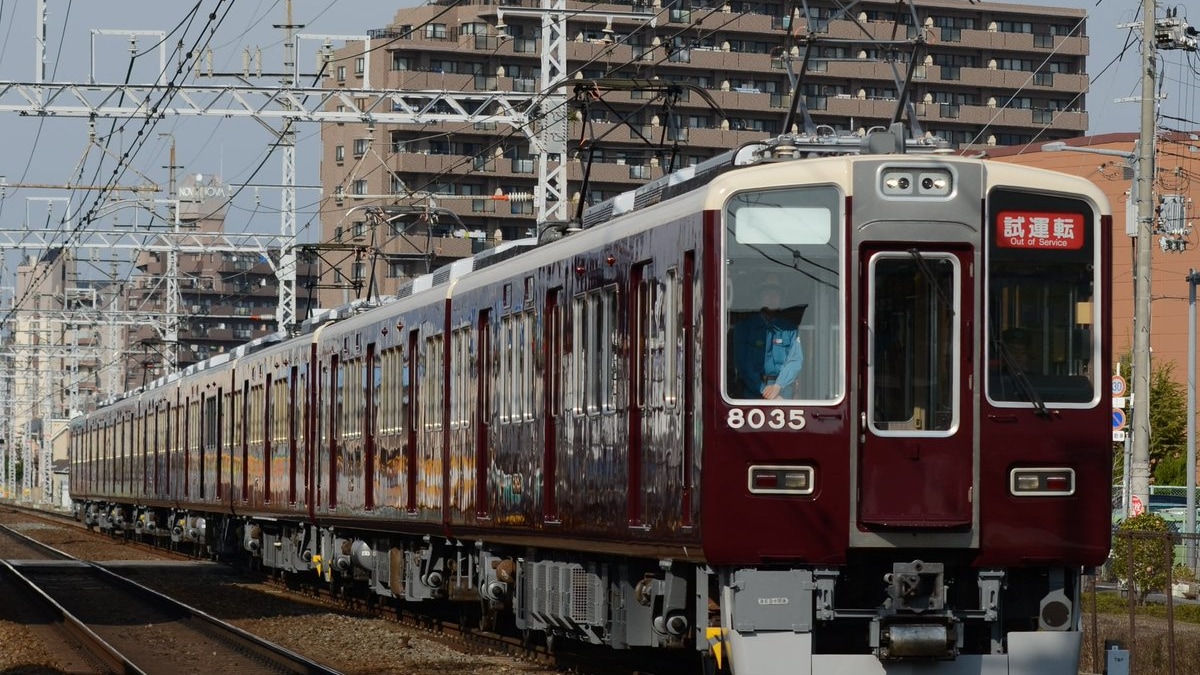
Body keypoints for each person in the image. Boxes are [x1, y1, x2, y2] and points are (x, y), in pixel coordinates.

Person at [733, 279, 804, 399]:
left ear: (782, 298)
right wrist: (763, 389)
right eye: (767, 292)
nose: (772, 296)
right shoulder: (744, 328)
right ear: (758, 298)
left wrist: (778, 386)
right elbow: (743, 364)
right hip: (753, 393)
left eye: (777, 293)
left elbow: (795, 361)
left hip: (783, 392)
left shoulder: (790, 329)